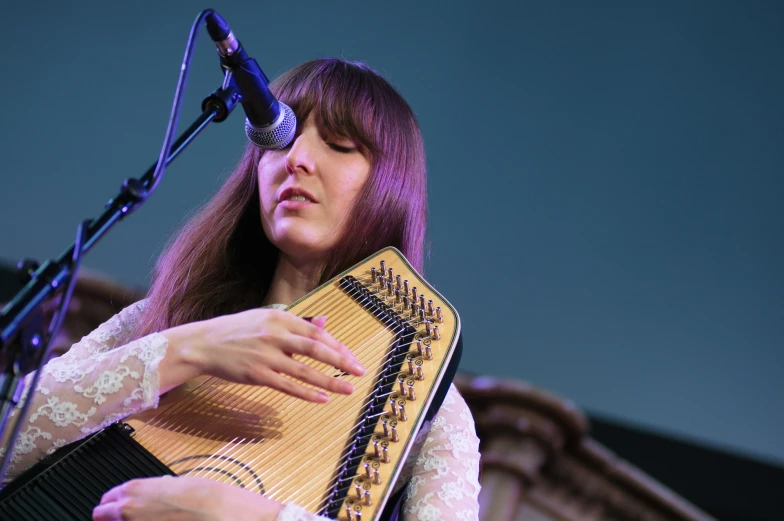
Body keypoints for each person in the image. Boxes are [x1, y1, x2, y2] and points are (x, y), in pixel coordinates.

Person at [0, 58, 481, 521]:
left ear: (389, 185)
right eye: (280, 140)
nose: (297, 159)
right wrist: (186, 348)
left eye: (338, 144)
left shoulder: (427, 404)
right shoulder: (168, 317)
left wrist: (250, 516)